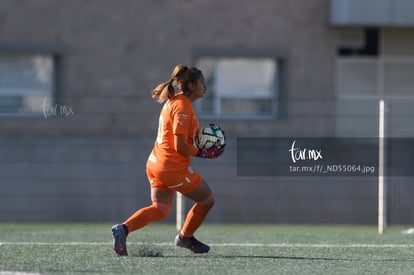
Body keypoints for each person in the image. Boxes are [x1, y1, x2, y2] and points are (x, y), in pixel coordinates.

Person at [111, 64, 225, 256]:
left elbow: (180, 137)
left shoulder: (176, 102)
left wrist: (202, 140)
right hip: (172, 167)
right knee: (207, 200)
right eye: (201, 82)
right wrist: (204, 153)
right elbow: (179, 145)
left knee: (160, 209)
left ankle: (123, 229)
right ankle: (185, 237)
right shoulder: (183, 106)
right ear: (190, 85)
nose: (205, 86)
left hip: (156, 162)